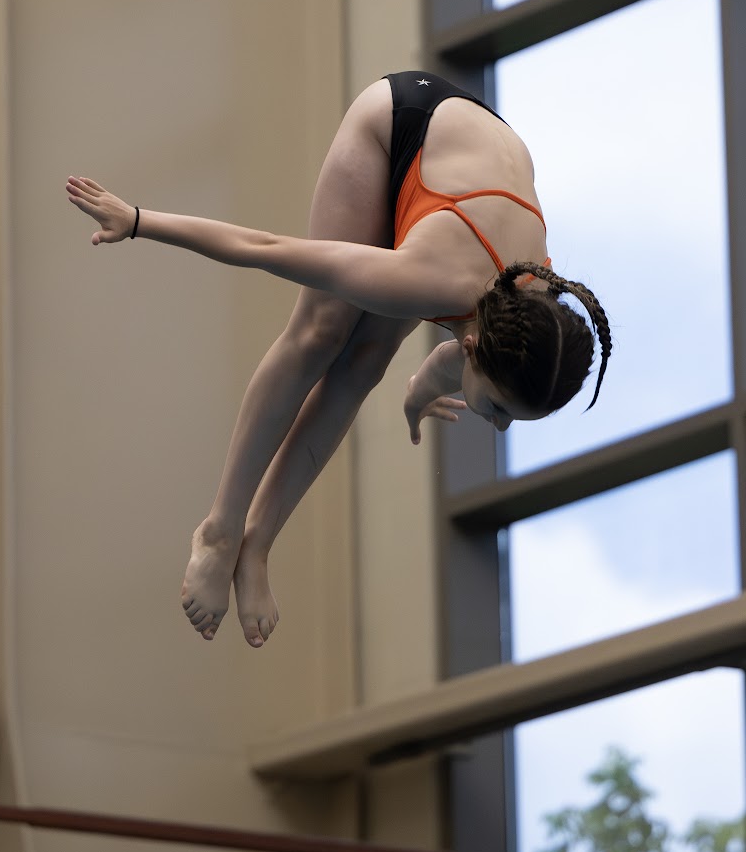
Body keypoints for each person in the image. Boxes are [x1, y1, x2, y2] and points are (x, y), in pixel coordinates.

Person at [67, 71, 612, 648]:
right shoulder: (430, 279)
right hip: (401, 124)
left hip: (475, 162)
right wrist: (138, 221)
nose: (498, 426)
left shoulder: (531, 327)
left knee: (366, 364)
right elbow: (264, 249)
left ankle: (258, 545)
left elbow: (444, 367)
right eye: (500, 410)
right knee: (320, 331)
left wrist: (417, 399)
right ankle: (220, 530)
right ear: (472, 347)